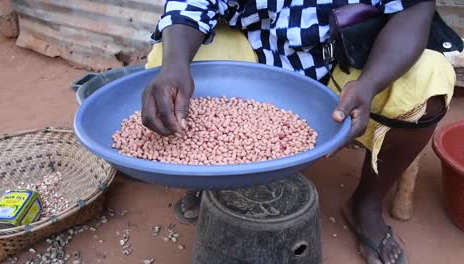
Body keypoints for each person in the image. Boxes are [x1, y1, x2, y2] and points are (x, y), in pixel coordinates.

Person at [141, 0, 461, 263]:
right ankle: (216, 180)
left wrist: (370, 84)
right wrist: (175, 65)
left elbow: (414, 9)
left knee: (429, 81)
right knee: (166, 60)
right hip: (256, 52)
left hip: (349, 62)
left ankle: (365, 203)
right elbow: (193, 4)